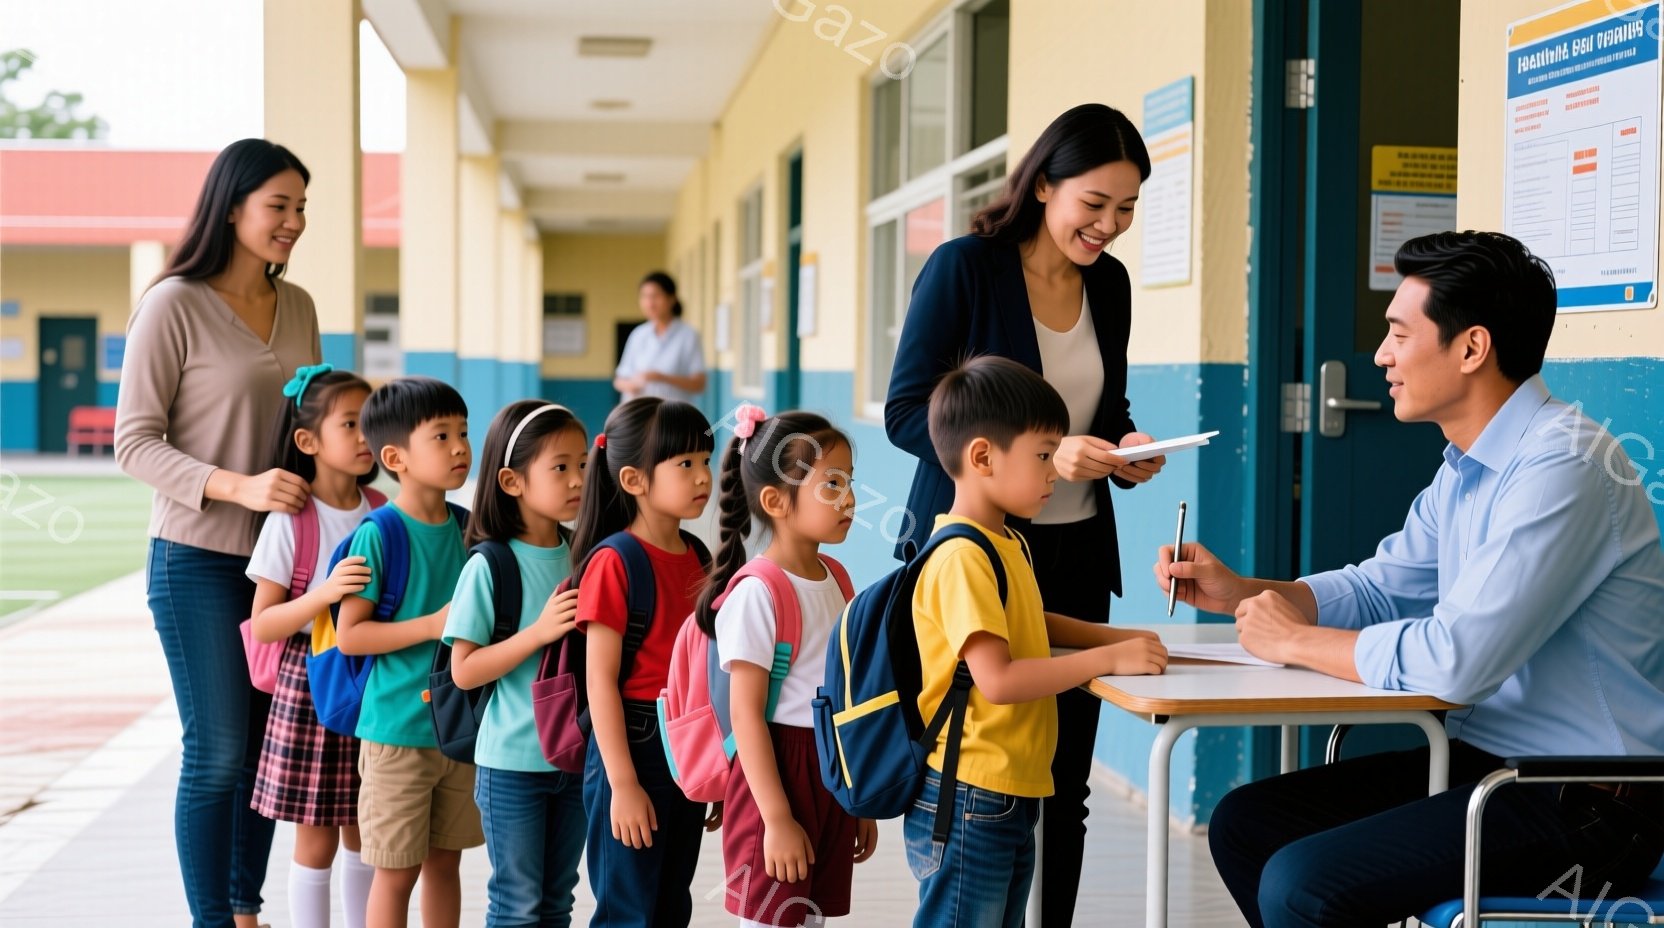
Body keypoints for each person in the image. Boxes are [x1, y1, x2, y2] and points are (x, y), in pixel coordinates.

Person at [1155, 231, 1664, 928]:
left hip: (1583, 805)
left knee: (1303, 887)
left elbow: (1455, 662)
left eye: (1398, 333)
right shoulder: (1465, 464)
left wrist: (1296, 643)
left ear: (1471, 348)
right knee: (1246, 823)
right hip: (1486, 769)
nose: (1381, 355)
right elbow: (1379, 587)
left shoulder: (1564, 467)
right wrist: (1245, 594)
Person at [884, 102, 1168, 926]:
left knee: (1064, 780)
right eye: (1094, 205)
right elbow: (911, 412)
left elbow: (1103, 405)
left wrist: (1125, 444)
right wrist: (1038, 455)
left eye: (1126, 210)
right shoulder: (964, 267)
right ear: (1044, 185)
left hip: (1076, 548)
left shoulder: (1106, 285)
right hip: (978, 548)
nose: (1109, 227)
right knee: (972, 768)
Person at [115, 137, 319, 928]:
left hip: (281, 564)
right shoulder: (172, 303)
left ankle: (244, 909)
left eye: (302, 207)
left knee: (269, 752)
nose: (294, 222)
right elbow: (135, 441)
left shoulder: (297, 305)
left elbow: (313, 424)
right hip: (195, 562)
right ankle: (212, 920)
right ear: (231, 207)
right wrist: (236, 486)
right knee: (218, 751)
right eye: (279, 206)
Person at [908, 356, 1168, 928]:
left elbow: (1033, 619)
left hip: (1010, 789)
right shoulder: (961, 557)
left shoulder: (1004, 542)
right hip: (972, 792)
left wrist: (1115, 636)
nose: (1055, 472)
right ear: (982, 457)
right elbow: (997, 679)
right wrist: (1108, 658)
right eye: (1043, 455)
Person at [698, 406, 880, 926]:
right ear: (777, 501)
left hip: (829, 765)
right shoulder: (759, 592)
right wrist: (775, 818)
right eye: (831, 484)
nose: (849, 499)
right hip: (777, 772)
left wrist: (858, 801)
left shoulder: (838, 578)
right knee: (771, 918)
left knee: (811, 918)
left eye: (850, 482)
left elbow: (847, 689)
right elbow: (747, 716)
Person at [334, 377, 483, 928]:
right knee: (396, 873)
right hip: (396, 733)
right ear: (395, 457)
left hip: (458, 730)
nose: (460, 447)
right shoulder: (380, 533)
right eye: (441, 436)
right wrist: (433, 625)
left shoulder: (469, 530)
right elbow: (352, 634)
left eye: (463, 432)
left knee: (447, 865)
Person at [570, 397, 716, 927]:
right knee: (628, 909)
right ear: (633, 479)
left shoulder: (699, 556)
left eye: (705, 460)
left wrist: (709, 766)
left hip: (686, 742)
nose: (703, 476)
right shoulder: (614, 561)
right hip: (630, 747)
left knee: (672, 902)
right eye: (685, 465)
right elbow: (600, 683)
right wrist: (624, 784)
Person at [443, 400, 587, 926]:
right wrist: (538, 633)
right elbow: (464, 670)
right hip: (511, 766)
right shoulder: (489, 564)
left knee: (557, 903)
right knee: (517, 905)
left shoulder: (584, 554)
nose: (577, 480)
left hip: (574, 760)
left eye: (582, 466)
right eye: (560, 467)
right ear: (511, 481)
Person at [245, 365, 380, 928]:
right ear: (308, 442)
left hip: (374, 673)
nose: (365, 436)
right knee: (317, 832)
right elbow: (265, 623)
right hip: (311, 679)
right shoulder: (290, 520)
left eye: (370, 422)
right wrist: (323, 594)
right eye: (350, 424)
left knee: (366, 825)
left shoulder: (381, 509)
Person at [613, 271, 707, 404]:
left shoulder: (688, 335)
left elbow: (699, 384)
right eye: (644, 297)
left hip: (674, 416)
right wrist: (631, 386)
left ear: (672, 298)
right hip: (639, 415)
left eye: (655, 296)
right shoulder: (638, 334)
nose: (649, 303)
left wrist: (661, 378)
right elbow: (619, 380)